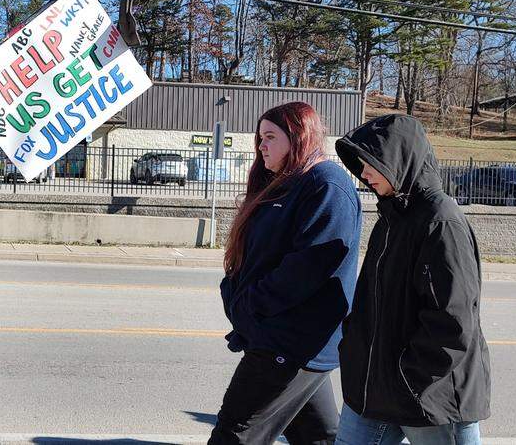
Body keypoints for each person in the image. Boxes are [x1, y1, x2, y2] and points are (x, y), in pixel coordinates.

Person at [210, 101, 362, 444]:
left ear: (298, 136)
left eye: (269, 137)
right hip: (281, 337)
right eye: (259, 138)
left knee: (235, 434)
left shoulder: (327, 185)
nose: (260, 146)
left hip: (288, 341)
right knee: (319, 438)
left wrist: (249, 305)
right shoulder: (286, 183)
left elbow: (307, 268)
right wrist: (233, 291)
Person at [334, 114, 491, 445]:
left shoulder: (441, 222)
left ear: (398, 158)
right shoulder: (391, 218)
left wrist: (407, 376)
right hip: (371, 391)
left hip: (431, 399)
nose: (364, 173)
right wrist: (356, 352)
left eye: (371, 163)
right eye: (361, 164)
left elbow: (453, 321)